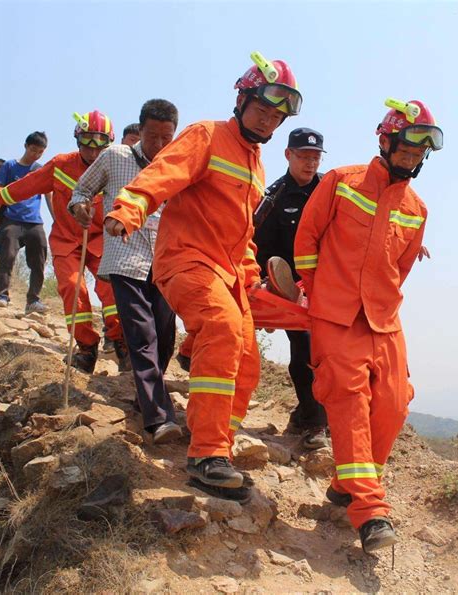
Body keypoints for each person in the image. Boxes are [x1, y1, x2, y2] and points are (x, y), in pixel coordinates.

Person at [104, 52, 303, 501]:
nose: (268, 122)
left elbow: (242, 232)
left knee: (247, 361)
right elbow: (163, 173)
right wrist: (130, 206)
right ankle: (205, 455)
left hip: (229, 272)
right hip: (187, 258)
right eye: (262, 110)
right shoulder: (207, 135)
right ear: (242, 98)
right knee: (222, 328)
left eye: (276, 117)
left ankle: (219, 453)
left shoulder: (256, 164)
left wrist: (253, 277)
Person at [294, 98, 443, 552]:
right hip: (335, 315)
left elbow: (399, 268)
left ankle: (346, 485)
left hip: (383, 319)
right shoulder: (341, 181)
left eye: (420, 154)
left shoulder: (417, 209)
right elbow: (307, 238)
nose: (413, 159)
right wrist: (318, 292)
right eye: (407, 150)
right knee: (349, 401)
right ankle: (370, 511)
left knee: (395, 404)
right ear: (386, 140)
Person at [68, 99, 182, 444]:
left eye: (167, 137)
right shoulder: (114, 157)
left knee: (164, 338)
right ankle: (158, 418)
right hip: (124, 258)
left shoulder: (178, 164)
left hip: (166, 260)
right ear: (140, 130)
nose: (159, 145)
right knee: (141, 335)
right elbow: (81, 189)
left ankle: (146, 394)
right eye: (152, 136)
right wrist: (81, 206)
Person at [0, 110, 127, 373]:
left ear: (108, 143)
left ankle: (121, 343)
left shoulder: (116, 167)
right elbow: (24, 187)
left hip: (102, 240)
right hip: (67, 241)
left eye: (99, 143)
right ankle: (86, 348)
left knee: (112, 292)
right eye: (87, 141)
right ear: (78, 138)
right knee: (72, 289)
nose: (92, 151)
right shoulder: (61, 165)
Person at [254, 127, 328, 449]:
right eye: (303, 156)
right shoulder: (273, 198)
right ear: (288, 155)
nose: (310, 163)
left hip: (328, 286)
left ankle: (309, 415)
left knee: (331, 355)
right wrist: (267, 293)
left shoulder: (330, 189)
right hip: (291, 291)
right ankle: (314, 424)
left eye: (315, 157)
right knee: (305, 351)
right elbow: (261, 248)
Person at [0, 132, 52, 312]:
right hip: (12, 219)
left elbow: (49, 196)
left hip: (34, 222)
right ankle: (2, 295)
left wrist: (57, 219)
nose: (35, 154)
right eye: (33, 150)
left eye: (40, 152)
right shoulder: (10, 166)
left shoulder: (40, 170)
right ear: (26, 146)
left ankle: (33, 300)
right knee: (8, 256)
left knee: (39, 260)